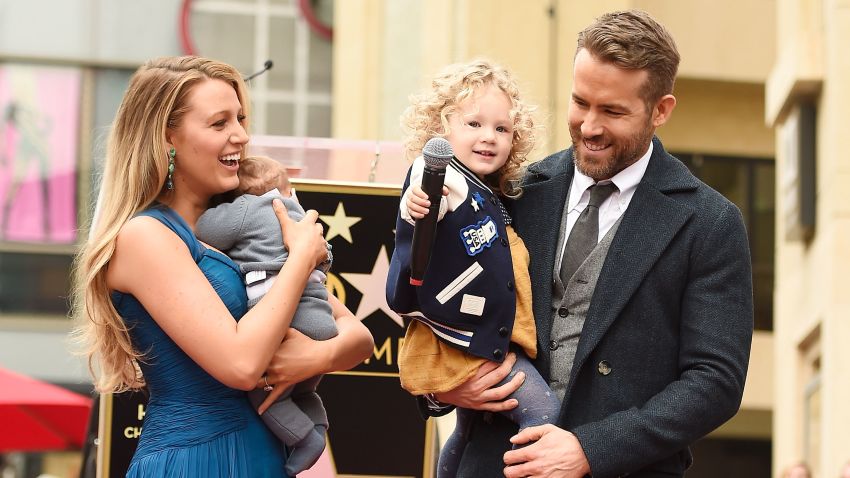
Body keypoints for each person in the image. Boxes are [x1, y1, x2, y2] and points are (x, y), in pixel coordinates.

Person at [416, 10, 754, 478]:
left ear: (661, 110)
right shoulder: (513, 190)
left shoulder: (710, 223)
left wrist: (591, 449)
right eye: (580, 102)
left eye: (613, 111)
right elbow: (438, 299)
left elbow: (715, 383)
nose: (590, 126)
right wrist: (441, 389)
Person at [71, 56, 374, 477]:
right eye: (219, 124)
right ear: (166, 138)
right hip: (197, 461)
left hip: (264, 458)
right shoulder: (145, 236)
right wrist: (301, 257)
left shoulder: (248, 227)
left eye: (241, 119)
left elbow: (360, 339)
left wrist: (314, 357)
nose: (241, 136)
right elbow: (242, 365)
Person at [385, 59, 559, 478]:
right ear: (441, 129)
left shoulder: (491, 192)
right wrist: (417, 205)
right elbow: (425, 202)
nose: (488, 137)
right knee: (545, 411)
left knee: (464, 428)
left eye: (501, 129)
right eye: (474, 124)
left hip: (471, 337)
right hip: (465, 339)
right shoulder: (443, 177)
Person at [195, 155, 337, 476]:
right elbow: (326, 256)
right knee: (304, 390)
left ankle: (304, 438)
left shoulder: (248, 208)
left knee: (264, 393)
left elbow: (205, 228)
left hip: (287, 325)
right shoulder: (301, 218)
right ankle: (317, 425)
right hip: (320, 319)